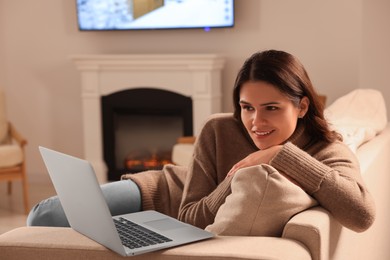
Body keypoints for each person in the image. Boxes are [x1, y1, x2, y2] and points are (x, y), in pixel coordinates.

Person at [28, 50, 375, 233]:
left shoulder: (326, 149)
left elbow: (362, 215)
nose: (256, 122)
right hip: (163, 191)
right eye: (246, 107)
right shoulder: (220, 129)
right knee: (44, 216)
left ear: (301, 106)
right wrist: (236, 176)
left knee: (91, 229)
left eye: (271, 108)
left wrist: (281, 155)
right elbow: (189, 213)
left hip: (177, 223)